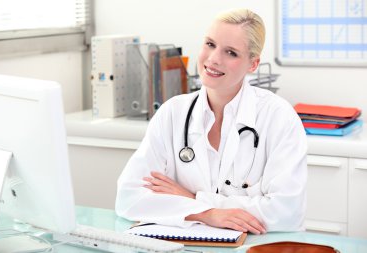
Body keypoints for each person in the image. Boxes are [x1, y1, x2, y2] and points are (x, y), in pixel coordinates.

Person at [116, 8, 307, 235]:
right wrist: (208, 214)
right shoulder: (173, 113)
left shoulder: (278, 117)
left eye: (231, 53)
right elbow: (129, 197)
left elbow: (286, 213)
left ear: (253, 64)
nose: (214, 59)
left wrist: (192, 198)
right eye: (210, 44)